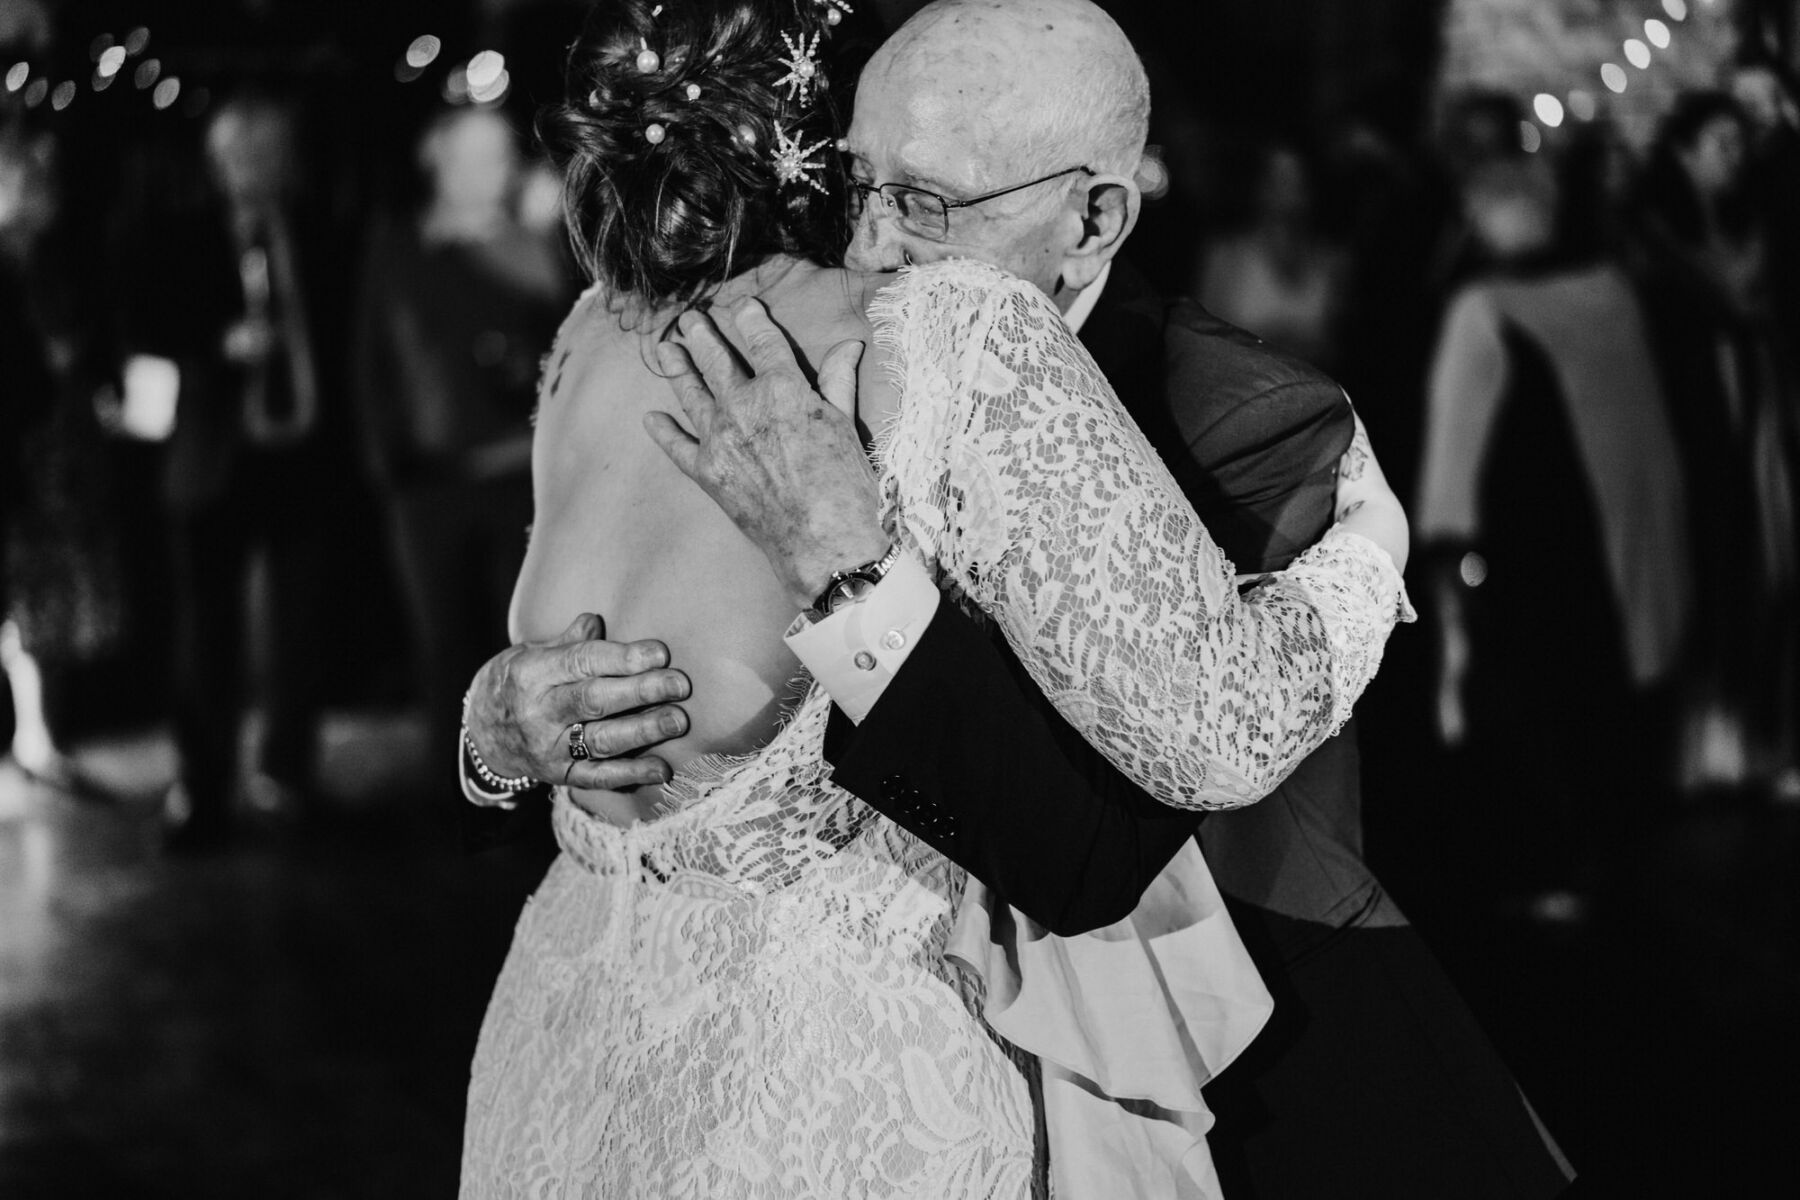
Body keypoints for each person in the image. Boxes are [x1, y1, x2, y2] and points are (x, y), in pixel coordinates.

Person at [463, 2, 1572, 1195]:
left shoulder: (1207, 404)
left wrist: (1369, 550)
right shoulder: (601, 334)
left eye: (927, 202)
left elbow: (1103, 836)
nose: (879, 242)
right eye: (858, 181)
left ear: (1095, 216)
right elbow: (560, 669)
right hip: (571, 1038)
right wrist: (490, 736)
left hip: (842, 1088)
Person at [352, 104, 574, 802]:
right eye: (482, 156)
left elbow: (581, 323)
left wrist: (546, 234)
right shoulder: (399, 244)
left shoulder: (537, 239)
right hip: (429, 484)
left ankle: (527, 797)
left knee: (522, 644)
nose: (498, 169)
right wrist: (386, 465)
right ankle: (457, 796)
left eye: (503, 155)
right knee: (443, 650)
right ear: (438, 163)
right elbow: (369, 361)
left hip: (522, 475)